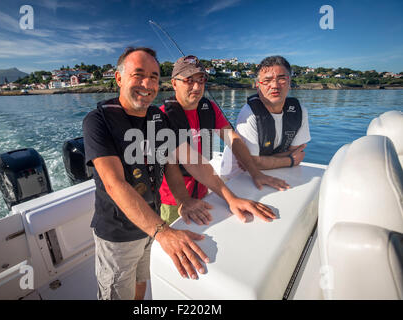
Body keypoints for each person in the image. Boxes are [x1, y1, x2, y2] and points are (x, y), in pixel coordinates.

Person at [82, 47, 277, 300]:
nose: (147, 83)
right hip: (119, 234)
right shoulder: (97, 121)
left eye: (153, 76)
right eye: (138, 75)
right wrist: (164, 232)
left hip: (151, 223)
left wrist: (229, 198)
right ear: (119, 78)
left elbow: (186, 162)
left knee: (141, 282)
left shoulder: (155, 119)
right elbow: (114, 184)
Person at [159, 55, 289, 225]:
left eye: (201, 80)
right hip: (174, 199)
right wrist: (185, 199)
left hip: (205, 188)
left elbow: (232, 139)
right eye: (189, 80)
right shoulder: (161, 117)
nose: (197, 87)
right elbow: (174, 164)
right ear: (174, 83)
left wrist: (254, 172)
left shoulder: (210, 109)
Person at [221, 55, 311, 179]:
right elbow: (251, 163)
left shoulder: (299, 111)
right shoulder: (249, 114)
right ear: (258, 85)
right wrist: (289, 160)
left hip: (276, 171)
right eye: (267, 81)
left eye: (281, 79)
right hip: (238, 177)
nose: (274, 85)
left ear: (289, 82)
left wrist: (261, 161)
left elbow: (297, 152)